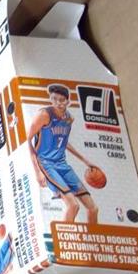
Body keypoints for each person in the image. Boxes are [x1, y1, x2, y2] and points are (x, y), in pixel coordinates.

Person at [27, 84, 101, 224]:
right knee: (73, 206)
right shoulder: (43, 115)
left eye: (61, 100)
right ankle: (65, 237)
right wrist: (37, 171)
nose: (58, 103)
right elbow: (28, 140)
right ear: (50, 99)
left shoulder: (69, 119)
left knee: (93, 208)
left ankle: (94, 236)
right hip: (46, 164)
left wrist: (85, 161)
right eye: (54, 99)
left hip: (62, 164)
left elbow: (63, 141)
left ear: (68, 101)